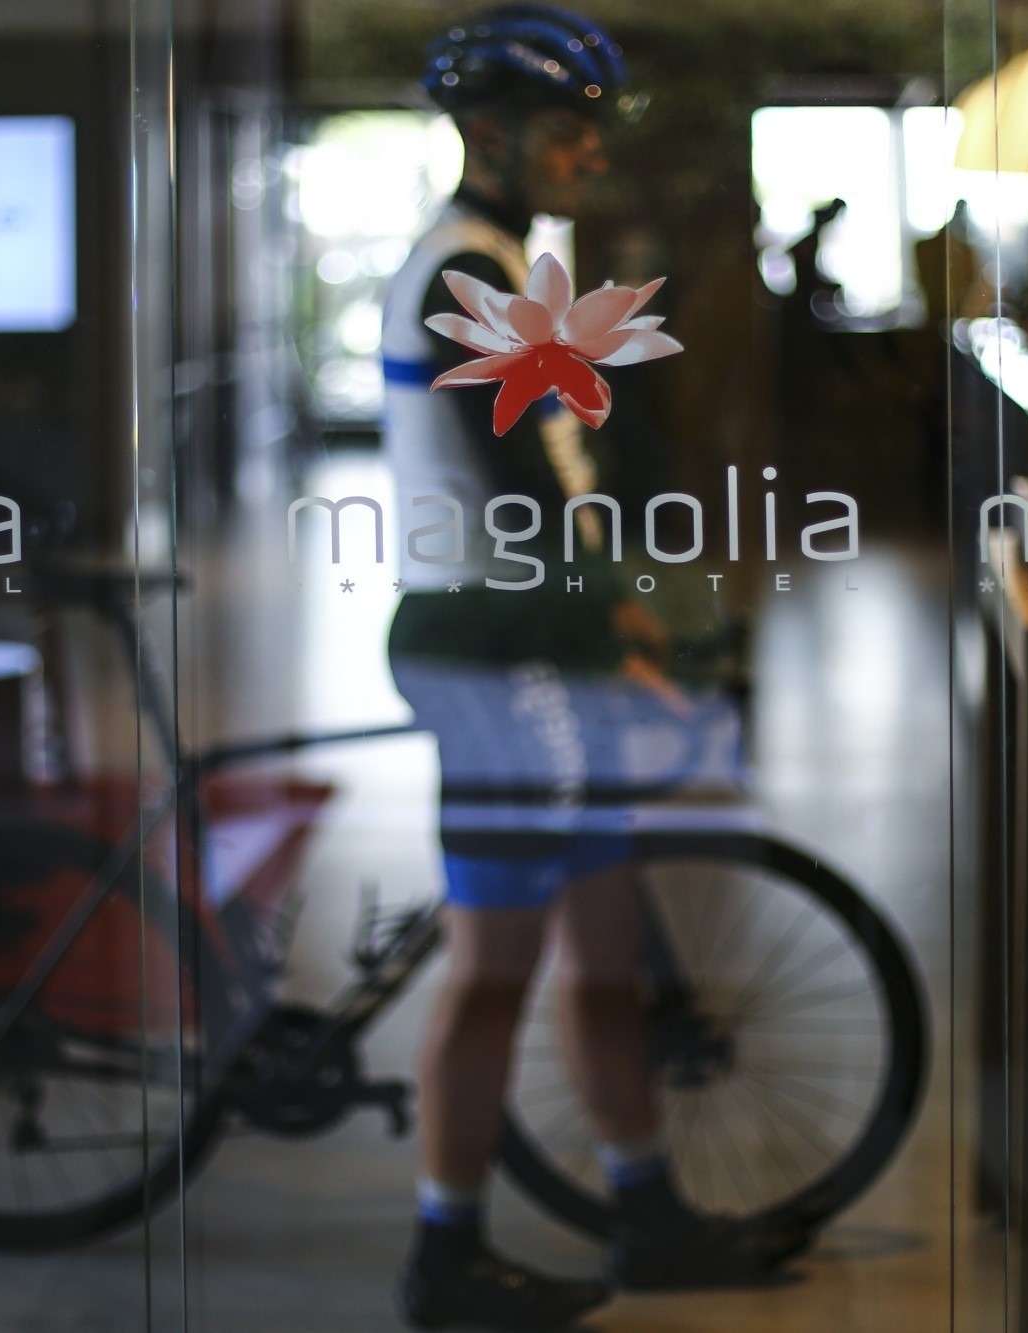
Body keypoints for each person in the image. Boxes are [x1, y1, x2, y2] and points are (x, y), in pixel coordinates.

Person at [380, 9, 803, 1328]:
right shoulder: (464, 269)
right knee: (498, 961)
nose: (584, 158)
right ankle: (445, 1252)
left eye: (587, 135)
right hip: (501, 651)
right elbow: (518, 494)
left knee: (601, 946)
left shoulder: (502, 261)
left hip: (537, 642)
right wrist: (620, 632)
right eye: (567, 133)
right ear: (491, 133)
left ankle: (647, 1206)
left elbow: (564, 477)